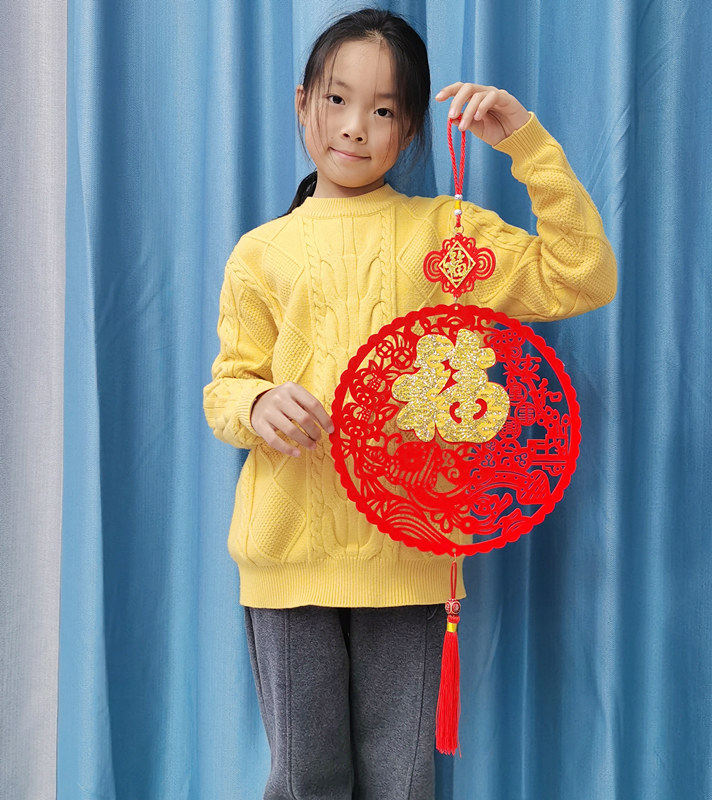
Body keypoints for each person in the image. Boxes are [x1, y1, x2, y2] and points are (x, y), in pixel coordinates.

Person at [202, 7, 617, 800]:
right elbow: (225, 386)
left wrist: (526, 142)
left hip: (413, 553)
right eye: (336, 99)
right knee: (305, 778)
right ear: (302, 103)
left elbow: (583, 276)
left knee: (402, 782)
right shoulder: (260, 252)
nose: (355, 127)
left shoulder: (446, 236)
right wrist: (255, 404)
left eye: (385, 110)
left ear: (413, 128)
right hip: (287, 559)